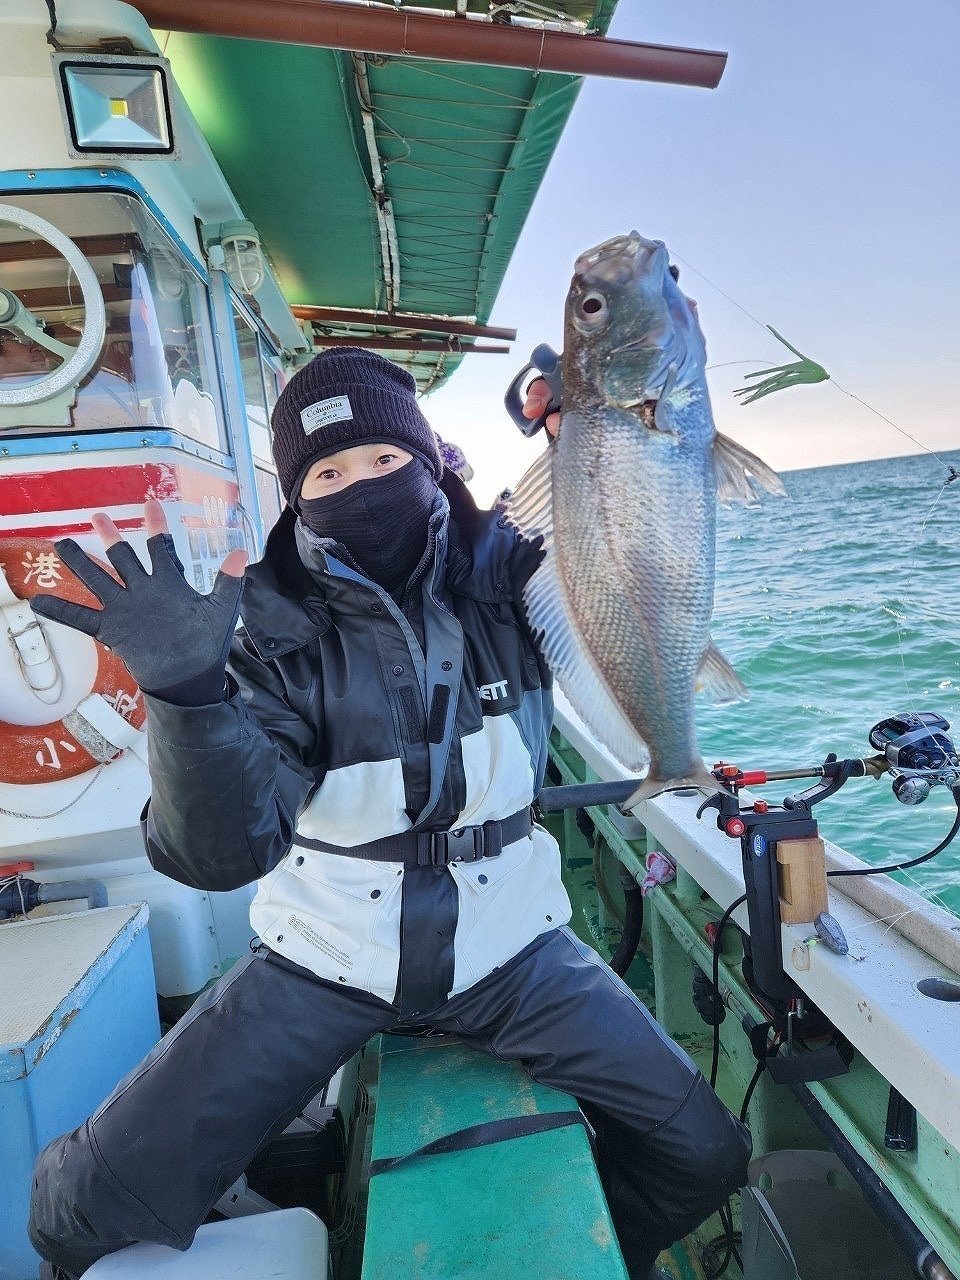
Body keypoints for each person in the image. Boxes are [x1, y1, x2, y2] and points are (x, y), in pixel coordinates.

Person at [28, 347, 750, 1280]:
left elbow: (624, 566)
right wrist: (186, 695)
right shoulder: (273, 637)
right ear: (296, 496)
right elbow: (219, 854)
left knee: (705, 1152)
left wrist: (596, 437)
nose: (359, 485)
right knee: (78, 1207)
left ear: (429, 462)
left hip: (513, 947)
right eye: (326, 472)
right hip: (327, 956)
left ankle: (591, 1248)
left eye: (382, 459)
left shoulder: (516, 583)